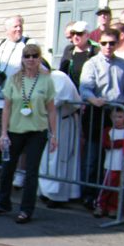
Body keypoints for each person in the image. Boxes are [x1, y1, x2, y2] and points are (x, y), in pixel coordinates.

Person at [0, 43, 57, 223]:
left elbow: (52, 110)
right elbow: (7, 108)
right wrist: (3, 133)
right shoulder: (14, 79)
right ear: (23, 59)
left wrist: (54, 134)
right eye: (27, 56)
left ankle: (26, 210)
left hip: (37, 132)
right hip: (14, 131)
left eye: (34, 55)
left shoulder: (46, 80)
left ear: (40, 58)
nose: (31, 59)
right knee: (7, 169)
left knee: (31, 173)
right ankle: (2, 204)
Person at [79, 27, 124, 209]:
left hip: (118, 115)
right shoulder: (91, 63)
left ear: (118, 43)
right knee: (93, 156)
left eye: (112, 43)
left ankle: (112, 199)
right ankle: (89, 195)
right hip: (97, 114)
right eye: (104, 43)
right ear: (99, 43)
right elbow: (85, 88)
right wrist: (94, 99)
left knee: (116, 158)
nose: (108, 46)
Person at [0, 15, 36, 189]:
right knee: (3, 137)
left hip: (21, 102)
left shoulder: (28, 44)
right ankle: (6, 172)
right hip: (2, 102)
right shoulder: (0, 45)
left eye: (20, 25)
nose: (18, 29)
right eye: (15, 26)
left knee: (21, 139)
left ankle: (20, 174)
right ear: (6, 29)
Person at [38, 70, 82, 208]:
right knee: (46, 159)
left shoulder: (59, 77)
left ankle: (58, 195)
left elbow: (55, 100)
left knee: (60, 157)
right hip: (46, 123)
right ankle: (46, 191)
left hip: (62, 122)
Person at [94, 107, 124, 218]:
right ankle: (101, 205)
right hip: (112, 165)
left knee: (119, 188)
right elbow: (107, 144)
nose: (116, 119)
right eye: (114, 116)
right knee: (107, 187)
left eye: (120, 117)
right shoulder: (108, 130)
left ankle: (113, 208)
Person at [59, 21, 98, 90]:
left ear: (87, 35)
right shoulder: (69, 50)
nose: (75, 37)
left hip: (90, 93)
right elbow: (62, 72)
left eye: (79, 34)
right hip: (71, 93)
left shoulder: (95, 51)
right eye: (73, 34)